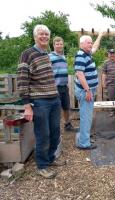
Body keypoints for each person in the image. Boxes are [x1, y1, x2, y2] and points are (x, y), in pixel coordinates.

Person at [17, 25, 65, 179]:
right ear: (35, 36)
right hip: (39, 102)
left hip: (54, 99)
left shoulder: (46, 54)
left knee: (55, 132)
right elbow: (22, 81)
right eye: (41, 34)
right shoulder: (27, 54)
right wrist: (27, 106)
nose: (44, 36)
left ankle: (50, 158)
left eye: (46, 34)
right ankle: (42, 166)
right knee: (42, 134)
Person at [74, 33, 103, 150]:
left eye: (91, 42)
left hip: (87, 90)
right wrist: (88, 90)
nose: (91, 44)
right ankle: (84, 143)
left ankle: (83, 138)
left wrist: (100, 35)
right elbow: (79, 74)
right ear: (81, 44)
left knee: (86, 115)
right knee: (86, 117)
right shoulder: (81, 55)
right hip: (85, 91)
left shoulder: (87, 54)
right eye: (88, 42)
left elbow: (95, 46)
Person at [49, 36, 76, 132]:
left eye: (61, 44)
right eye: (57, 44)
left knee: (66, 106)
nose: (59, 46)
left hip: (64, 86)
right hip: (55, 86)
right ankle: (55, 128)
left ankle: (67, 124)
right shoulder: (50, 56)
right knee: (56, 108)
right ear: (53, 45)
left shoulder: (64, 57)